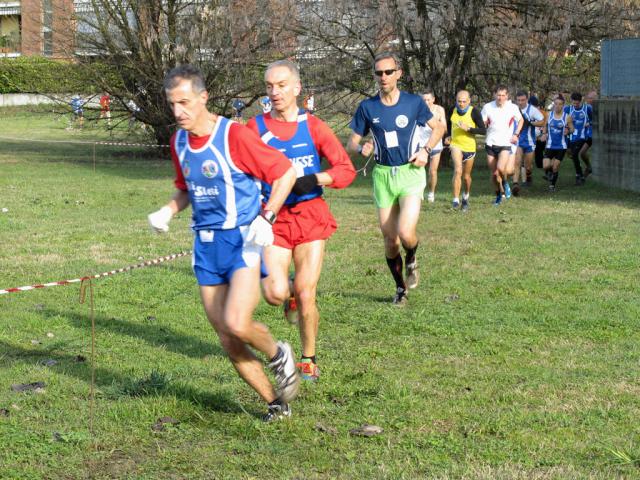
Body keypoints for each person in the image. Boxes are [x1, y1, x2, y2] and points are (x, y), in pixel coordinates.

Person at [147, 65, 300, 422]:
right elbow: (187, 188)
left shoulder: (234, 135)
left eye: (184, 102)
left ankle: (279, 353)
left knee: (237, 322)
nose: (178, 112)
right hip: (205, 247)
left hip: (242, 242)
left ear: (203, 97)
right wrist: (168, 211)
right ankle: (275, 403)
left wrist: (268, 216)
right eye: (172, 104)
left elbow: (285, 173)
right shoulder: (179, 142)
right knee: (227, 338)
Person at [247, 60, 356, 382]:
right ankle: (288, 296)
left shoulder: (314, 126)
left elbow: (345, 169)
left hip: (310, 216)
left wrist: (315, 179)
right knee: (275, 293)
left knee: (308, 292)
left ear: (296, 88)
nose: (274, 92)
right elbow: (242, 166)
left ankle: (308, 358)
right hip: (275, 219)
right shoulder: (256, 128)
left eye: (281, 85)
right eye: (269, 86)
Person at [346, 52, 444, 305]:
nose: (383, 77)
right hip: (382, 176)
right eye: (378, 73)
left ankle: (412, 257)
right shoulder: (367, 107)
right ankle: (400, 288)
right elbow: (352, 142)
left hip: (410, 173)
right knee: (390, 240)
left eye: (388, 72)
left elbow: (439, 128)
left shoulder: (413, 103)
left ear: (398, 73)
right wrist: (361, 148)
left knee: (405, 232)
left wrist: (425, 150)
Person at [481, 85, 523, 206]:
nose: (500, 98)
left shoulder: (513, 107)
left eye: (503, 95)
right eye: (498, 95)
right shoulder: (487, 107)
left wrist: (516, 134)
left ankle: (504, 182)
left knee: (501, 169)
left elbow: (521, 121)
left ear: (507, 96)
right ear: (495, 95)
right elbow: (482, 122)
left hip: (505, 143)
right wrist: (483, 124)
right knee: (494, 174)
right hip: (490, 143)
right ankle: (499, 194)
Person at [445, 90, 486, 212]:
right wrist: (448, 136)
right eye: (459, 101)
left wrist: (469, 129)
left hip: (469, 147)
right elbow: (449, 124)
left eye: (464, 101)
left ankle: (465, 196)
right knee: (458, 170)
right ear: (456, 100)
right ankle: (455, 200)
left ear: (469, 101)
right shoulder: (452, 109)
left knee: (466, 177)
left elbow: (483, 130)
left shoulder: (474, 112)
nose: (461, 104)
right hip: (455, 145)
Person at [540, 94, 574, 191]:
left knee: (555, 167)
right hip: (550, 145)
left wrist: (568, 131)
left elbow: (572, 129)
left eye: (560, 104)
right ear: (553, 104)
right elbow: (545, 126)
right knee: (546, 165)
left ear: (563, 105)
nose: (557, 106)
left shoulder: (567, 117)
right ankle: (550, 174)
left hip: (561, 146)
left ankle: (552, 186)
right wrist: (544, 134)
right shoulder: (548, 115)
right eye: (556, 104)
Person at [418, 91, 447, 204]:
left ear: (433, 99)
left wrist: (441, 128)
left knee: (433, 171)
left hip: (436, 143)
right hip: (421, 144)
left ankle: (431, 193)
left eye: (428, 100)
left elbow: (444, 127)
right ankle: (419, 193)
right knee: (419, 170)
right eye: (424, 100)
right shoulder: (418, 109)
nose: (426, 102)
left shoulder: (439, 110)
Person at [513, 91, 545, 193]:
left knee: (528, 166)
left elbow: (542, 121)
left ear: (527, 100)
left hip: (530, 141)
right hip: (517, 140)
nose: (520, 102)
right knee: (517, 162)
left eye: (523, 100)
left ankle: (529, 175)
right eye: (518, 100)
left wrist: (531, 123)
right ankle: (515, 184)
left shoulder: (533, 110)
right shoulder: (513, 109)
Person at [565, 92, 593, 185]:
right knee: (572, 154)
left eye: (578, 103)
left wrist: (589, 123)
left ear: (581, 101)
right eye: (574, 103)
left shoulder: (587, 108)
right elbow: (562, 119)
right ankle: (585, 169)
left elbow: (596, 119)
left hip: (584, 136)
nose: (576, 105)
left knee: (576, 154)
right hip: (572, 136)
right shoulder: (568, 109)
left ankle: (579, 175)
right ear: (571, 101)